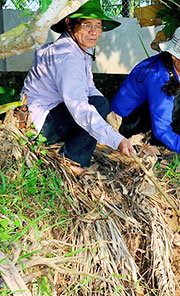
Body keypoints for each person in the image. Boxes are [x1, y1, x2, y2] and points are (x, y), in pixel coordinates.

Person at [21, 0, 135, 175]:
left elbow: (89, 88)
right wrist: (117, 140)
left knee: (101, 103)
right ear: (69, 23)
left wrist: (108, 118)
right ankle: (71, 160)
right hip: (41, 125)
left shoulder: (78, 50)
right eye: (87, 25)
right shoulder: (67, 57)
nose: (94, 32)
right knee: (97, 106)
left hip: (53, 117)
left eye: (98, 26)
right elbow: (79, 108)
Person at [111, 26, 180, 174]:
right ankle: (153, 147)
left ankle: (170, 145)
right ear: (174, 55)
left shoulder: (175, 69)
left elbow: (175, 108)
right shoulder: (159, 77)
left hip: (142, 116)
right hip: (126, 125)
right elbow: (161, 129)